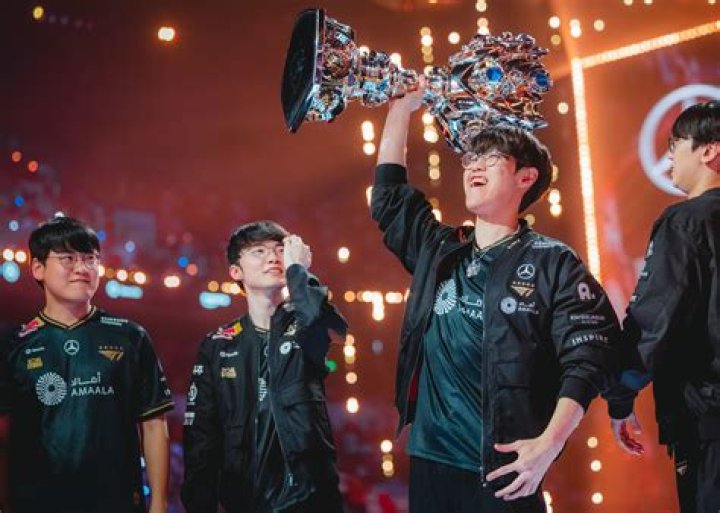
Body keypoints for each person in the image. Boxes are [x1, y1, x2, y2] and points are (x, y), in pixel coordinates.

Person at [370, 84, 619, 513]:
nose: (473, 165)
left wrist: (549, 444)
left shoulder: (553, 262)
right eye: (471, 157)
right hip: (430, 464)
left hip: (505, 472)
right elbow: (389, 199)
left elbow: (589, 358)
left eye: (491, 157)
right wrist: (400, 109)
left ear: (526, 177)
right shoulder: (439, 250)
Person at [0, 215, 174, 513]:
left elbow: (154, 426)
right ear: (38, 268)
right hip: (34, 502)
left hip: (116, 503)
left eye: (90, 259)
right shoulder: (12, 344)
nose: (82, 268)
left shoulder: (130, 337)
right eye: (68, 258)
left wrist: (158, 504)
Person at [181, 221, 347, 513]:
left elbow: (335, 332)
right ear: (236, 271)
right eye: (259, 251)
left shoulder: (307, 324)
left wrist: (299, 271)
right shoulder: (217, 344)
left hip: (310, 498)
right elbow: (201, 438)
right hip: (243, 500)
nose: (272, 257)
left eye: (280, 249)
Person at [608, 100, 720, 513]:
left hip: (709, 424)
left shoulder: (686, 222)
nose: (669, 156)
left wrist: (620, 393)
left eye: (675, 145)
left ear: (709, 150)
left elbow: (655, 320)